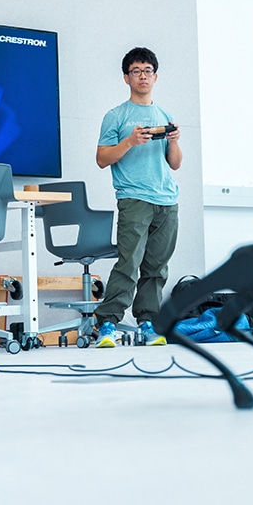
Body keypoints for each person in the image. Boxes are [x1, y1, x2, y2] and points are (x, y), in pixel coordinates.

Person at [93, 47, 182, 348]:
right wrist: (130, 141)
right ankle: (107, 324)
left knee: (157, 268)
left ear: (155, 76)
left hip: (167, 200)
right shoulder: (116, 116)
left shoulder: (165, 115)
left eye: (147, 71)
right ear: (126, 77)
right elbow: (102, 159)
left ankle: (147, 322)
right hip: (134, 198)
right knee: (128, 263)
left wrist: (175, 141)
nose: (142, 76)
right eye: (136, 71)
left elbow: (175, 163)